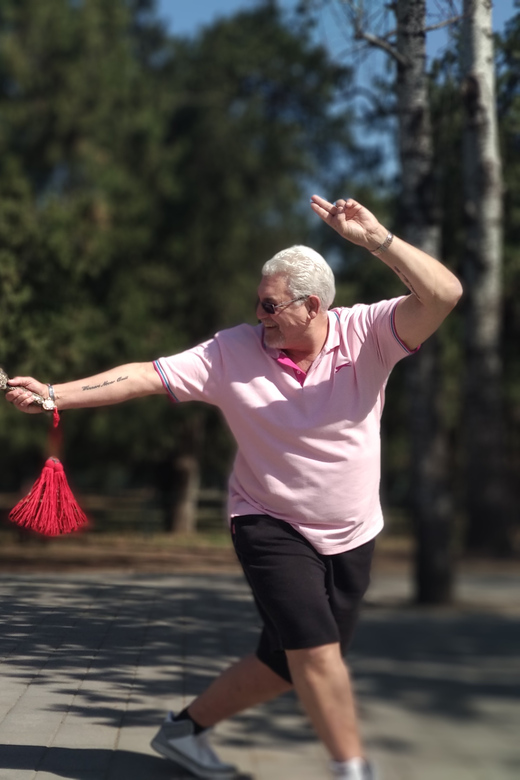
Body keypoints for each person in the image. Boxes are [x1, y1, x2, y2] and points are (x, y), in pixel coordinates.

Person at [6, 195, 463, 780]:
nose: (260, 313)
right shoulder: (232, 351)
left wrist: (377, 240)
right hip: (268, 522)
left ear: (313, 305)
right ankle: (354, 771)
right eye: (258, 302)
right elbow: (147, 375)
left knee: (285, 660)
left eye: (270, 304)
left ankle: (182, 732)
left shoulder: (369, 333)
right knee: (318, 656)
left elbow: (444, 295)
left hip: (353, 532)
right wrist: (54, 393)